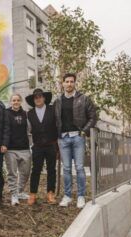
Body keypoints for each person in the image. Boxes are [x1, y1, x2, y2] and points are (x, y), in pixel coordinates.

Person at [54, 73, 97, 208]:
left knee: (79, 168)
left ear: (75, 83)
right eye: (66, 81)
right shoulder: (58, 101)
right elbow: (55, 120)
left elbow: (93, 117)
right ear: (63, 83)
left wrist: (84, 131)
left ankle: (80, 196)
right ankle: (67, 196)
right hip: (63, 138)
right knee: (66, 169)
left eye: (71, 81)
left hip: (78, 137)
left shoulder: (84, 99)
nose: (69, 84)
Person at [26, 88, 58, 206]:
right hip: (37, 146)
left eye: (40, 96)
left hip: (51, 144)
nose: (38, 99)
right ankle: (33, 194)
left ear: (44, 98)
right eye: (36, 97)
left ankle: (50, 193)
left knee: (51, 170)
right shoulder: (29, 113)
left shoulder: (52, 110)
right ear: (33, 100)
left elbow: (58, 125)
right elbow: (28, 130)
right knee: (36, 170)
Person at [4, 94, 31, 206]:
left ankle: (20, 191)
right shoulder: (6, 113)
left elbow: (29, 130)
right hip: (11, 149)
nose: (16, 102)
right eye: (14, 100)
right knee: (12, 173)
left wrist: (31, 143)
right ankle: (14, 194)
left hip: (24, 148)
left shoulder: (25, 114)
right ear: (10, 102)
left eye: (18, 100)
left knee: (25, 172)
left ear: (21, 101)